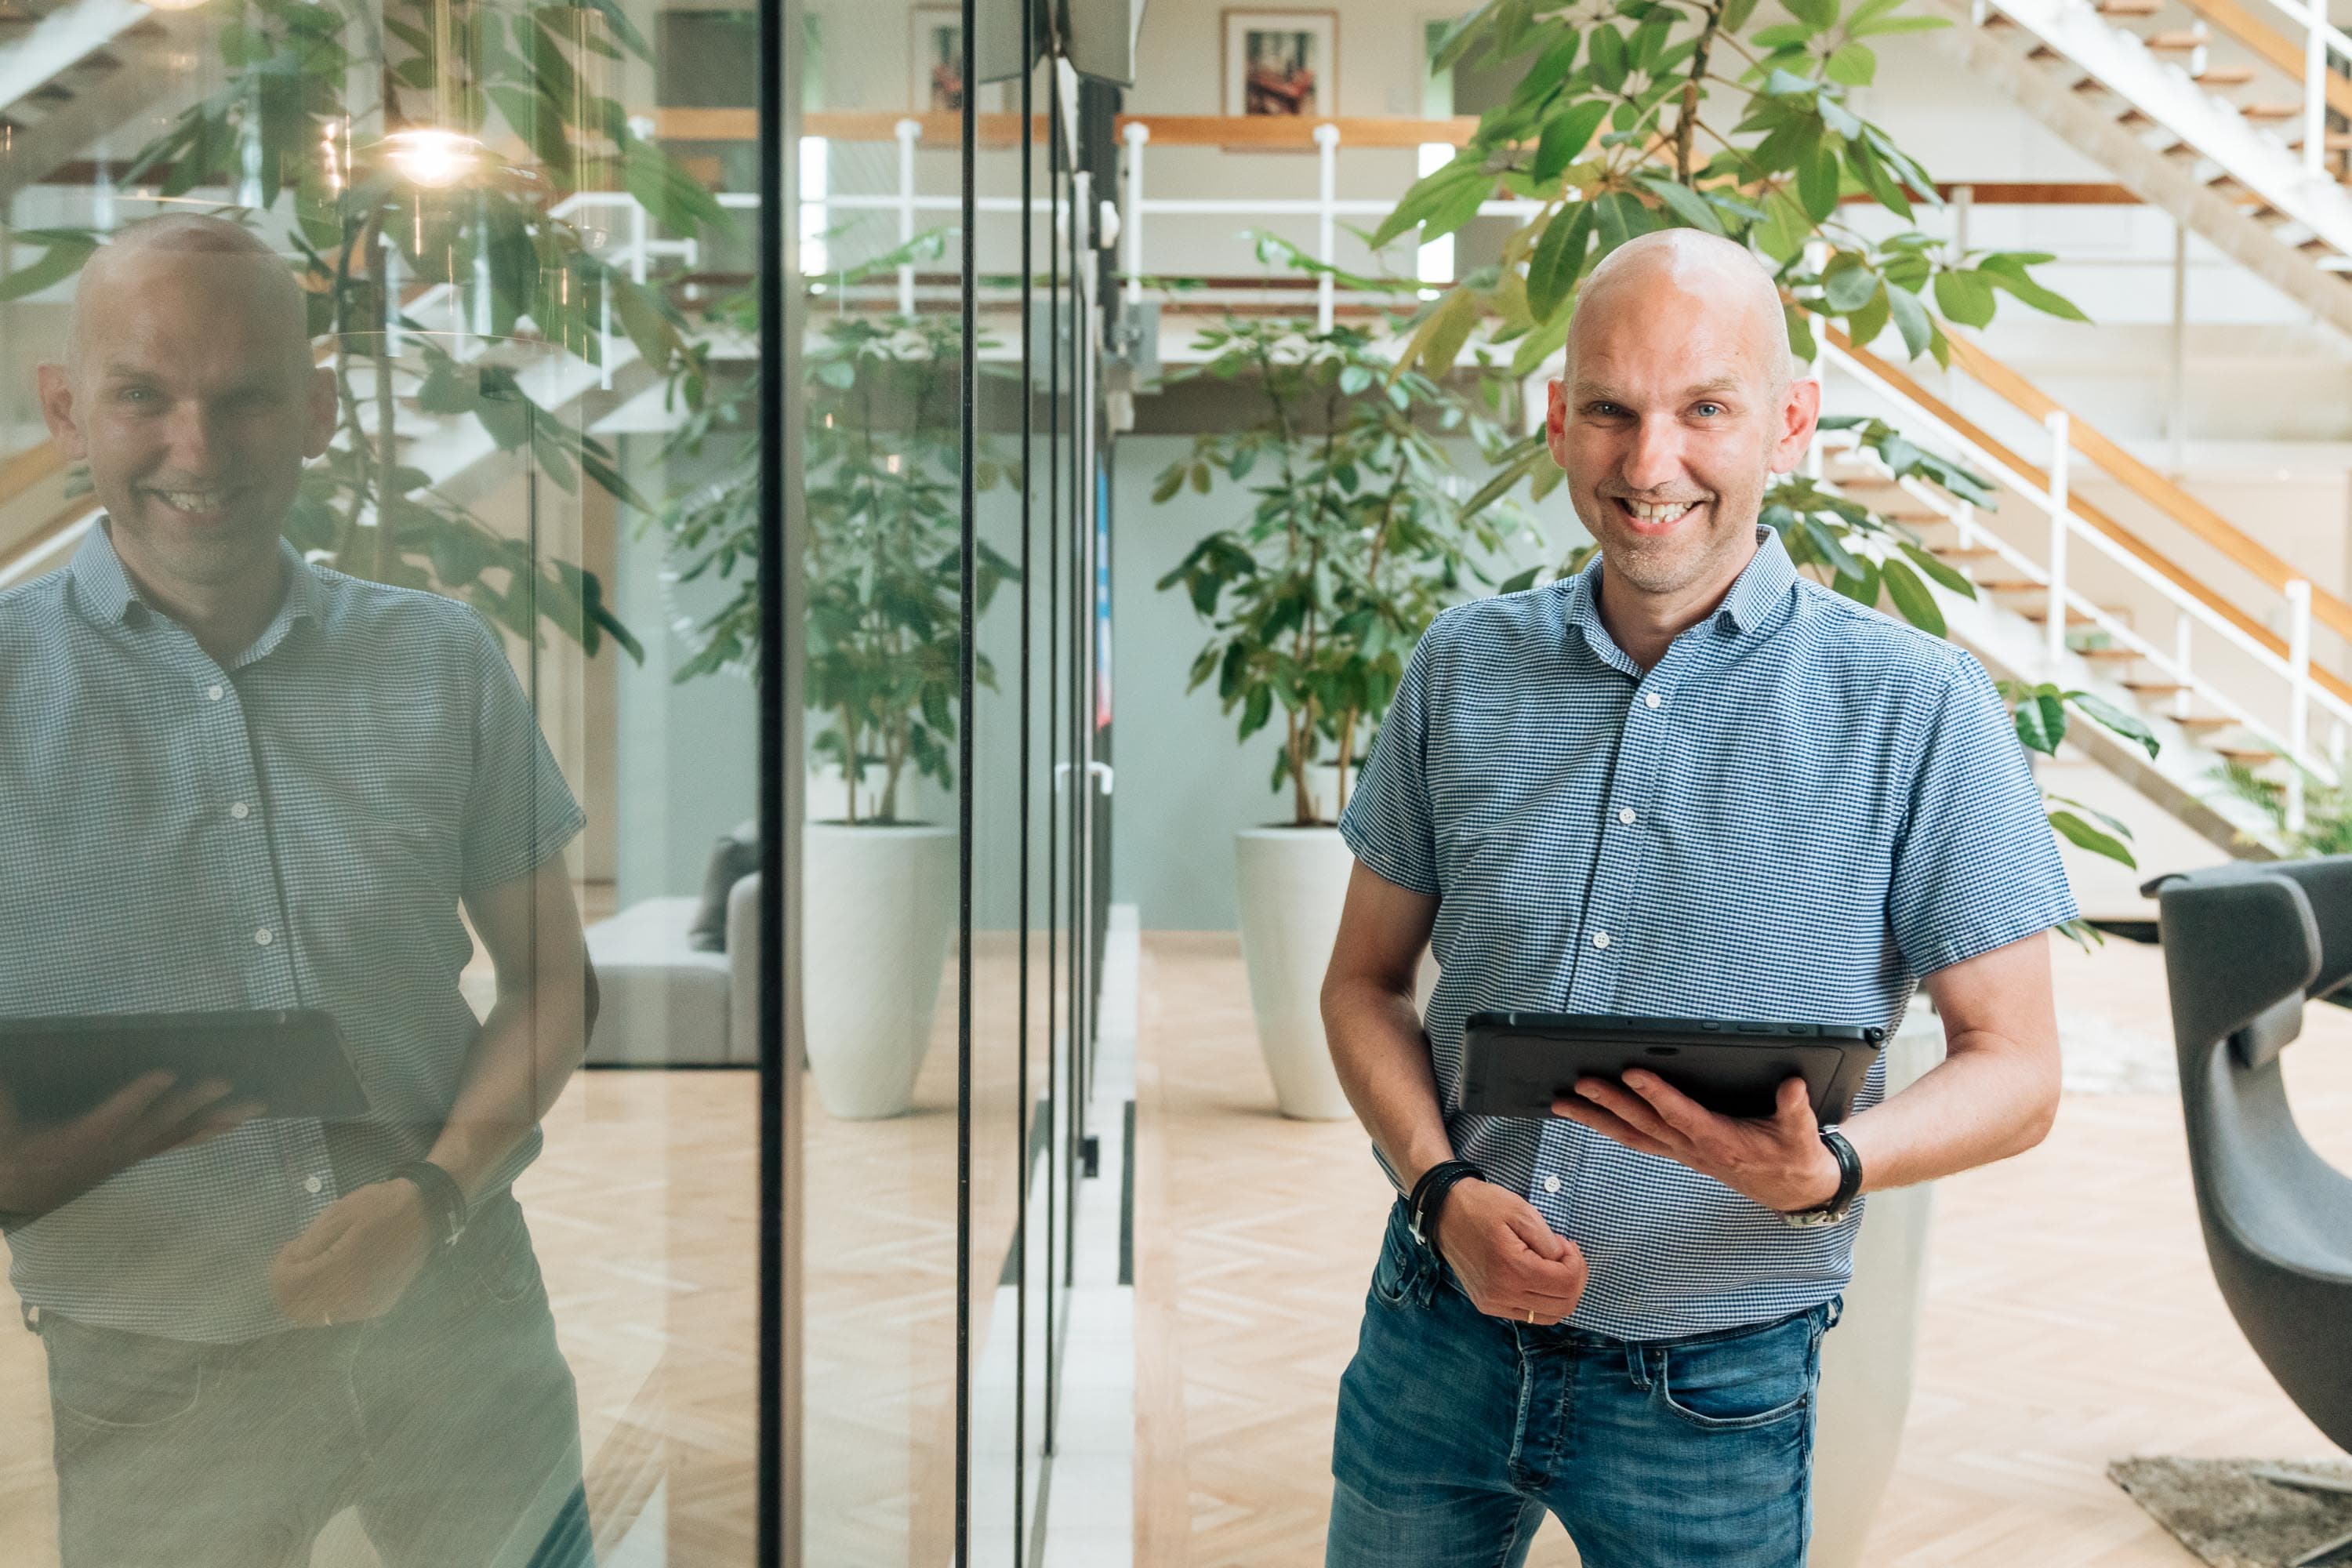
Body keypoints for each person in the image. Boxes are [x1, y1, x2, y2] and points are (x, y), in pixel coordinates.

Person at [1319, 228, 2074, 1568]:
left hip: (1711, 1392)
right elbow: (1362, 982)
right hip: (1434, 1328)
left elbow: (2019, 1069)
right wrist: (1438, 1190)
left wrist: (1832, 1167)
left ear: (1788, 424)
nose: (1647, 462)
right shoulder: (1462, 669)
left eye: (1704, 408)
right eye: (1608, 408)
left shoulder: (1921, 709)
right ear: (1558, 422)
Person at [0, 214, 599, 1566]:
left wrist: (435, 1199)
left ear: (317, 410)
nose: (196, 452)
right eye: (143, 396)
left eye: (246, 397)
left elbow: (554, 979)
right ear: (67, 411)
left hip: (464, 1322)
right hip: (150, 1369)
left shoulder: (439, 663)